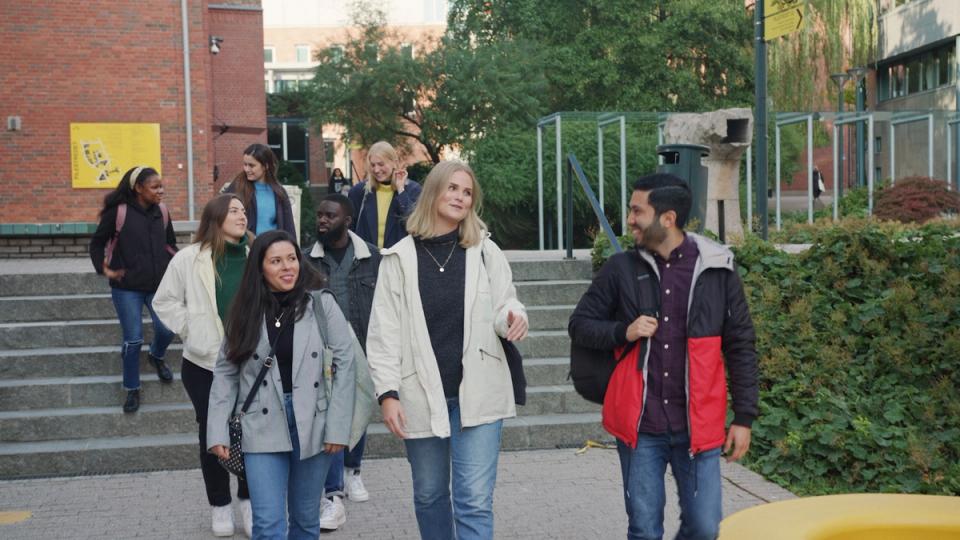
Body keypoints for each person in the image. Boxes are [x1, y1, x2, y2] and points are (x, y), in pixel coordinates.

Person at [568, 173, 759, 540]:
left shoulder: (717, 268)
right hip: (641, 429)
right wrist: (624, 331)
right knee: (643, 528)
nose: (630, 219)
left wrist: (744, 417)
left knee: (704, 528)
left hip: (698, 427)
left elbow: (740, 343)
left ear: (667, 219)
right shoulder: (620, 269)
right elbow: (580, 324)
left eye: (637, 210)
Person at [366, 160, 528, 540]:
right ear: (435, 191)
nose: (460, 196)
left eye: (467, 192)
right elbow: (383, 333)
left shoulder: (485, 251)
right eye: (453, 188)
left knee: (473, 499)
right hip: (419, 394)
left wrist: (513, 318)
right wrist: (388, 394)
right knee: (429, 494)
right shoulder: (399, 258)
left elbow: (507, 302)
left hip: (479, 393)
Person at [207, 230, 356, 540]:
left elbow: (346, 364)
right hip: (261, 424)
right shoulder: (244, 311)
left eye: (292, 258)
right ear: (259, 268)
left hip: (313, 422)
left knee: (305, 521)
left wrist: (339, 427)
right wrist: (216, 427)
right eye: (276, 261)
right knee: (268, 524)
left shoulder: (320, 305)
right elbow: (225, 372)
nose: (288, 267)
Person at [152, 194, 255, 537]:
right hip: (204, 363)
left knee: (253, 431)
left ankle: (250, 501)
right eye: (234, 210)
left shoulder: (257, 255)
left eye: (243, 211)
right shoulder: (189, 258)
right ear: (216, 217)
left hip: (251, 362)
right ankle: (220, 505)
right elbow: (163, 301)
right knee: (213, 433)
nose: (242, 216)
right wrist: (190, 327)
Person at [306, 194, 381, 530]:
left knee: (358, 410)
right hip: (321, 352)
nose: (322, 220)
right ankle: (332, 491)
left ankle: (353, 471)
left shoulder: (372, 258)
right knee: (330, 414)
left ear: (347, 220)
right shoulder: (306, 258)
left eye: (330, 216)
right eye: (320, 215)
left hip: (362, 347)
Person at [89, 166, 177, 413]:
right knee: (134, 338)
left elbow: (170, 245)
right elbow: (96, 244)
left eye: (162, 186)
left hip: (158, 286)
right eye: (155, 187)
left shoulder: (162, 211)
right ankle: (132, 388)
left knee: (168, 328)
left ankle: (157, 356)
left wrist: (182, 263)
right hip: (126, 288)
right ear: (138, 188)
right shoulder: (119, 212)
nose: (161, 191)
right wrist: (103, 269)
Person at [347, 141, 422, 249]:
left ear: (394, 163)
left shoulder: (413, 190)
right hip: (367, 260)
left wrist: (401, 190)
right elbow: (350, 230)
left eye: (381, 164)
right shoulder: (359, 192)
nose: (376, 170)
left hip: (398, 260)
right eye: (373, 165)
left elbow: (414, 225)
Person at [224, 143, 297, 239]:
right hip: (245, 249)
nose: (246, 169)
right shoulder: (236, 187)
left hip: (272, 249)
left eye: (251, 165)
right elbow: (220, 217)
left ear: (265, 166)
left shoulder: (279, 192)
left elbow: (289, 227)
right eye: (245, 164)